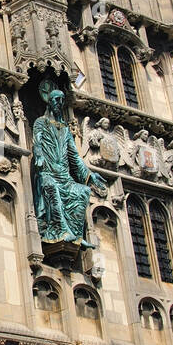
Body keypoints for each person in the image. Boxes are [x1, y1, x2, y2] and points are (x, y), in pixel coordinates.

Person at [31, 80, 107, 246]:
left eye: (62, 100)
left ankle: (76, 236)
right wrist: (39, 156)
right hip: (47, 174)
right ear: (49, 102)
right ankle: (60, 231)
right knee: (52, 188)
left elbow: (74, 157)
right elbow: (36, 143)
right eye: (56, 100)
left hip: (65, 177)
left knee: (82, 192)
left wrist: (90, 175)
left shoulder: (65, 130)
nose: (59, 103)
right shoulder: (40, 123)